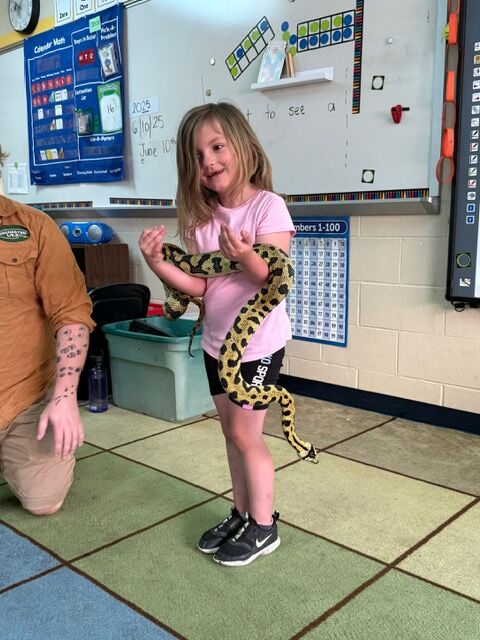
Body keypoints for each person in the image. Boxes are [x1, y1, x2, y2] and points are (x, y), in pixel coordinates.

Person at [139, 102, 295, 567]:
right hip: (216, 343)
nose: (208, 161)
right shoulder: (204, 219)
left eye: (217, 147)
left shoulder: (268, 207)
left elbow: (271, 278)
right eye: (197, 155)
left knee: (247, 435)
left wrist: (246, 255)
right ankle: (242, 513)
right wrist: (158, 264)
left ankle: (264, 526)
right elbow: (201, 288)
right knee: (231, 433)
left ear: (242, 145)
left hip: (257, 345)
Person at [0, 146, 95, 516]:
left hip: (24, 399)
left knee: (44, 502)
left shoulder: (34, 227)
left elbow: (72, 315)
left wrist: (64, 397)